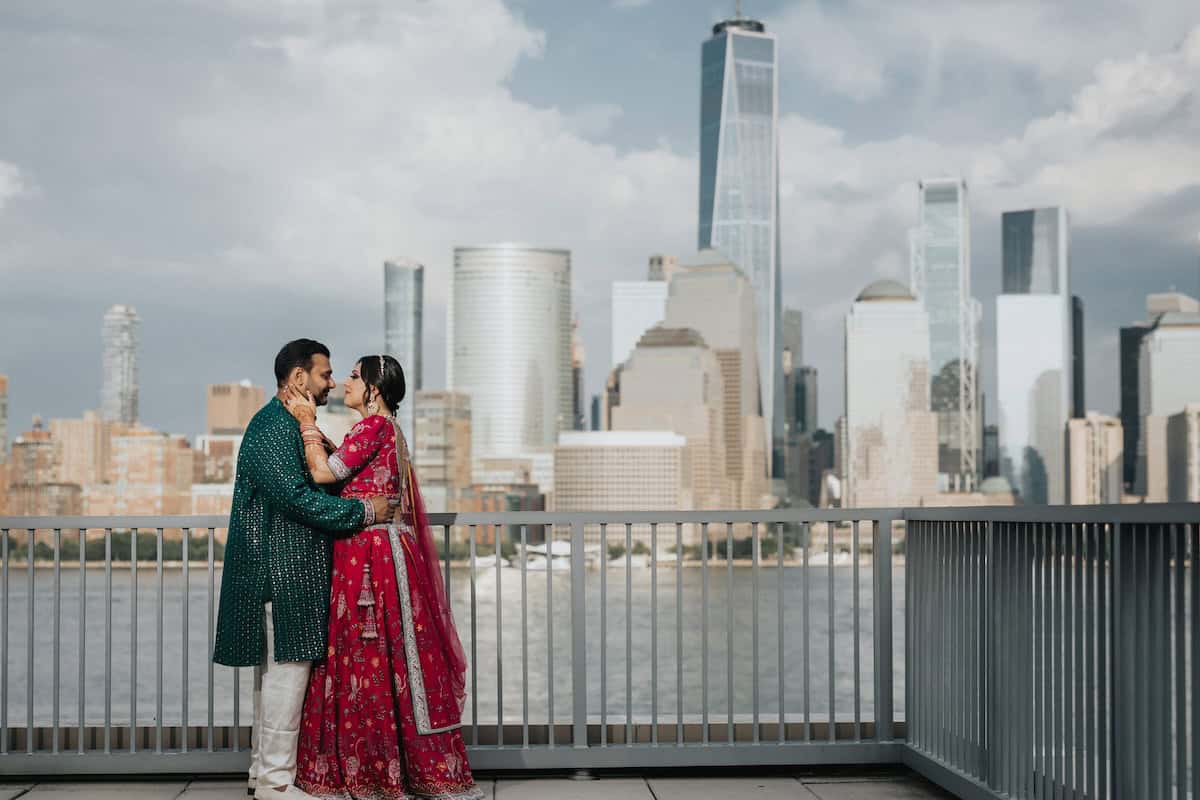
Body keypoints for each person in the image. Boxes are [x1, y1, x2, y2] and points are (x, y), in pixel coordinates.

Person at [284, 355, 482, 800]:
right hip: (380, 552)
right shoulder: (388, 431)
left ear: (375, 388)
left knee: (367, 655)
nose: (345, 384)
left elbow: (321, 474)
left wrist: (305, 421)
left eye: (354, 376)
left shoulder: (374, 428)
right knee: (387, 659)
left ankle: (374, 770)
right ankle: (394, 765)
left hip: (372, 556)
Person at [214, 340, 396, 800]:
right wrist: (365, 515)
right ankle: (277, 784)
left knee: (275, 678)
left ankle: (262, 777)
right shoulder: (275, 429)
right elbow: (297, 497)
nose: (332, 383)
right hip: (280, 572)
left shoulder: (288, 424)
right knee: (285, 676)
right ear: (298, 379)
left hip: (287, 570)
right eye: (325, 375)